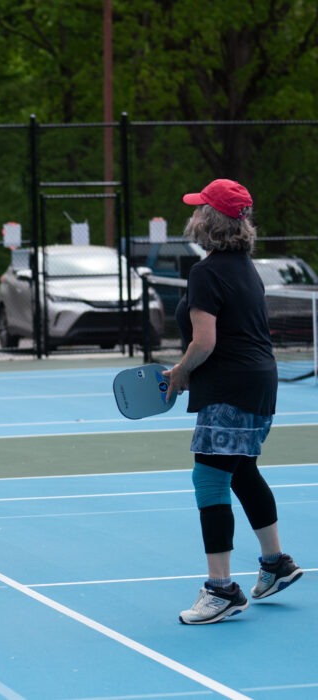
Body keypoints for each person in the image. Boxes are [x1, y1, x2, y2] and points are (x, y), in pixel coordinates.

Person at [164, 178, 303, 624]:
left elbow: (205, 342)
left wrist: (181, 371)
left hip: (231, 388)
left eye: (201, 208)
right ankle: (275, 562)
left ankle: (221, 589)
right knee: (242, 469)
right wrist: (188, 368)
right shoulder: (246, 267)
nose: (195, 214)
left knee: (208, 478)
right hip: (260, 383)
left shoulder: (205, 273)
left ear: (211, 220)